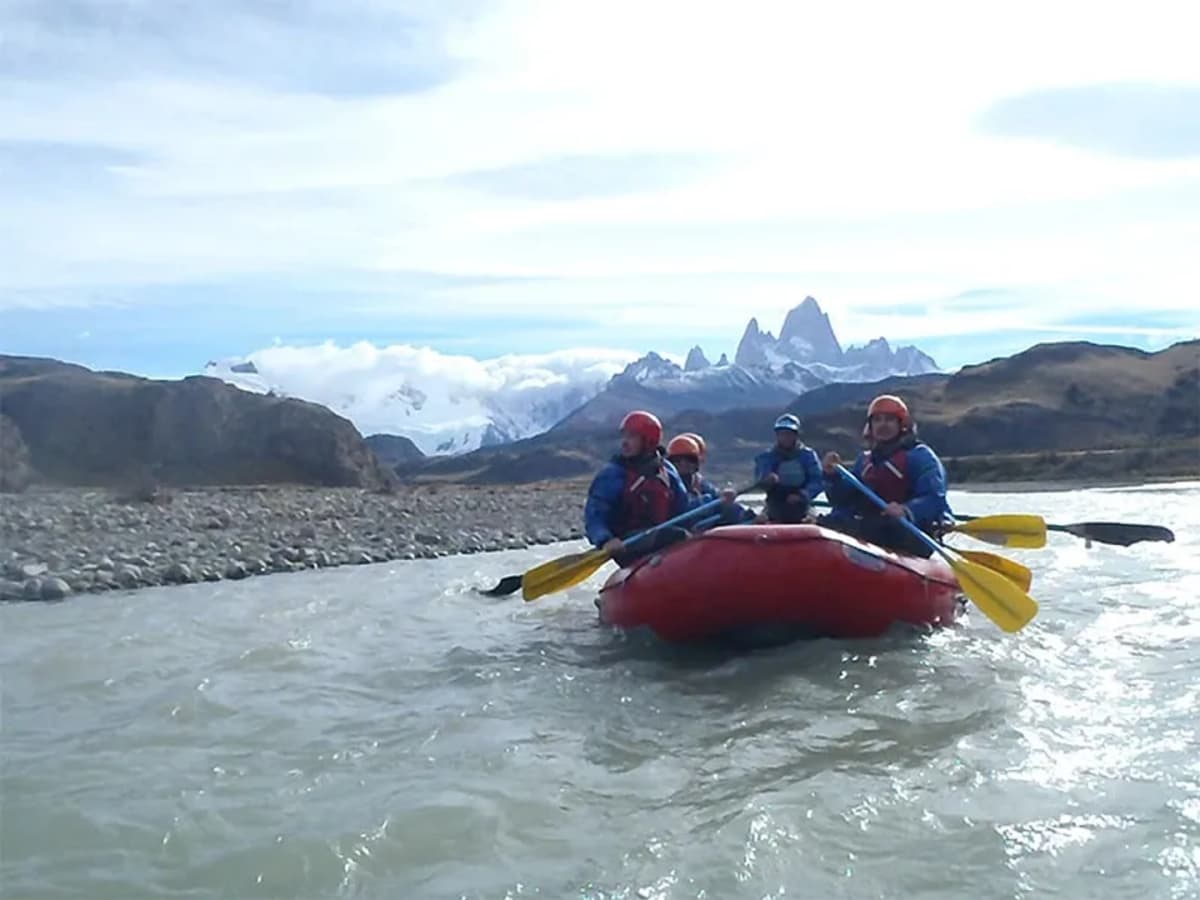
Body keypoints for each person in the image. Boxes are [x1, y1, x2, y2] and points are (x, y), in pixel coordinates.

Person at [819, 394, 952, 558]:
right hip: (872, 526)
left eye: (889, 420)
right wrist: (833, 477)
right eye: (877, 420)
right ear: (871, 426)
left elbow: (935, 497)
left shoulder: (921, 457)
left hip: (909, 531)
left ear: (901, 425)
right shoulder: (865, 460)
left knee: (885, 527)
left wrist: (907, 510)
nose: (883, 425)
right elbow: (843, 499)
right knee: (835, 521)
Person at [584, 410, 691, 567]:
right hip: (627, 543)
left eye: (632, 436)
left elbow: (684, 509)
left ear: (649, 441)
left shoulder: (667, 470)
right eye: (624, 436)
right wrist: (605, 539)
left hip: (662, 538)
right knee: (676, 536)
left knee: (681, 534)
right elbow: (595, 515)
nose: (625, 442)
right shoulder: (613, 474)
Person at [666, 433, 755, 527]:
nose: (683, 463)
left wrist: (728, 503)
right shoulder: (668, 483)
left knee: (729, 510)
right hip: (681, 530)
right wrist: (709, 500)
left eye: (690, 459)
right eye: (676, 460)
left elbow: (719, 499)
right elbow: (681, 509)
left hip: (700, 528)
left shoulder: (701, 484)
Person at [753, 414, 824, 523]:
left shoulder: (808, 455)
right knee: (761, 520)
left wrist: (802, 495)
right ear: (777, 435)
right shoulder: (767, 457)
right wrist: (767, 480)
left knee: (810, 520)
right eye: (782, 434)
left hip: (802, 505)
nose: (786, 437)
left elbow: (817, 480)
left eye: (789, 434)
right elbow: (760, 478)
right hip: (774, 505)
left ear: (796, 435)